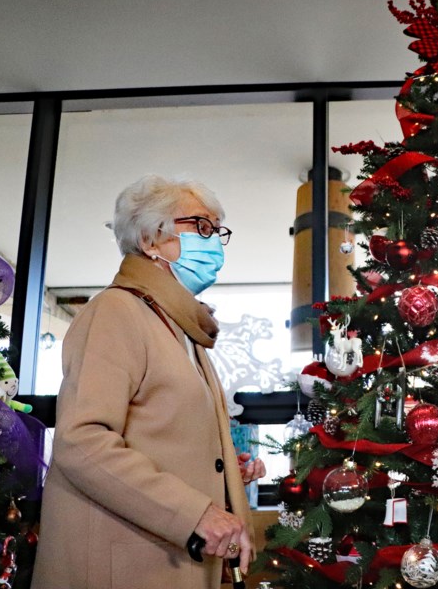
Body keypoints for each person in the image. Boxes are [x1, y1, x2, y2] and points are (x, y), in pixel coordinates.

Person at [32, 175, 266, 589]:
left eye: (217, 230)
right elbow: (82, 440)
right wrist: (196, 513)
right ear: (150, 240)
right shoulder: (117, 312)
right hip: (124, 563)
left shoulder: (178, 325)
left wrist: (225, 471)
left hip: (167, 559)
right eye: (202, 226)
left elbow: (159, 434)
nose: (213, 242)